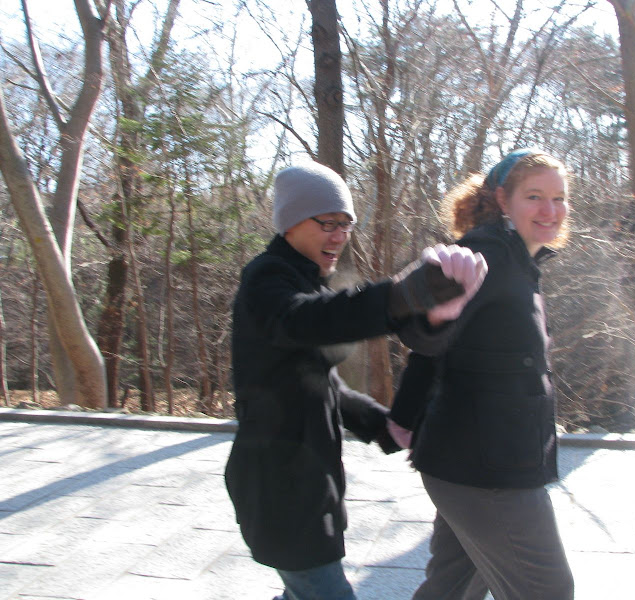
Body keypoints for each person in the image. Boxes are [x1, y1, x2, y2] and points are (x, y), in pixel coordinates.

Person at [224, 160, 487, 600]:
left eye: (346, 224)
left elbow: (320, 380)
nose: (339, 236)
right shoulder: (266, 279)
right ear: (290, 223)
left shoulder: (307, 280)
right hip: (277, 481)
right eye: (327, 223)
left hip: (308, 476)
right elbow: (305, 320)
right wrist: (399, 296)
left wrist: (381, 424)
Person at [388, 148, 575, 600]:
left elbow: (439, 353)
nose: (550, 210)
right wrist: (429, 313)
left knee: (450, 590)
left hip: (473, 462)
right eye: (534, 196)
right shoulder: (486, 254)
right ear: (503, 199)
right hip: (487, 472)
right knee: (548, 590)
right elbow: (410, 314)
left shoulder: (520, 262)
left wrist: (404, 417)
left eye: (559, 198)